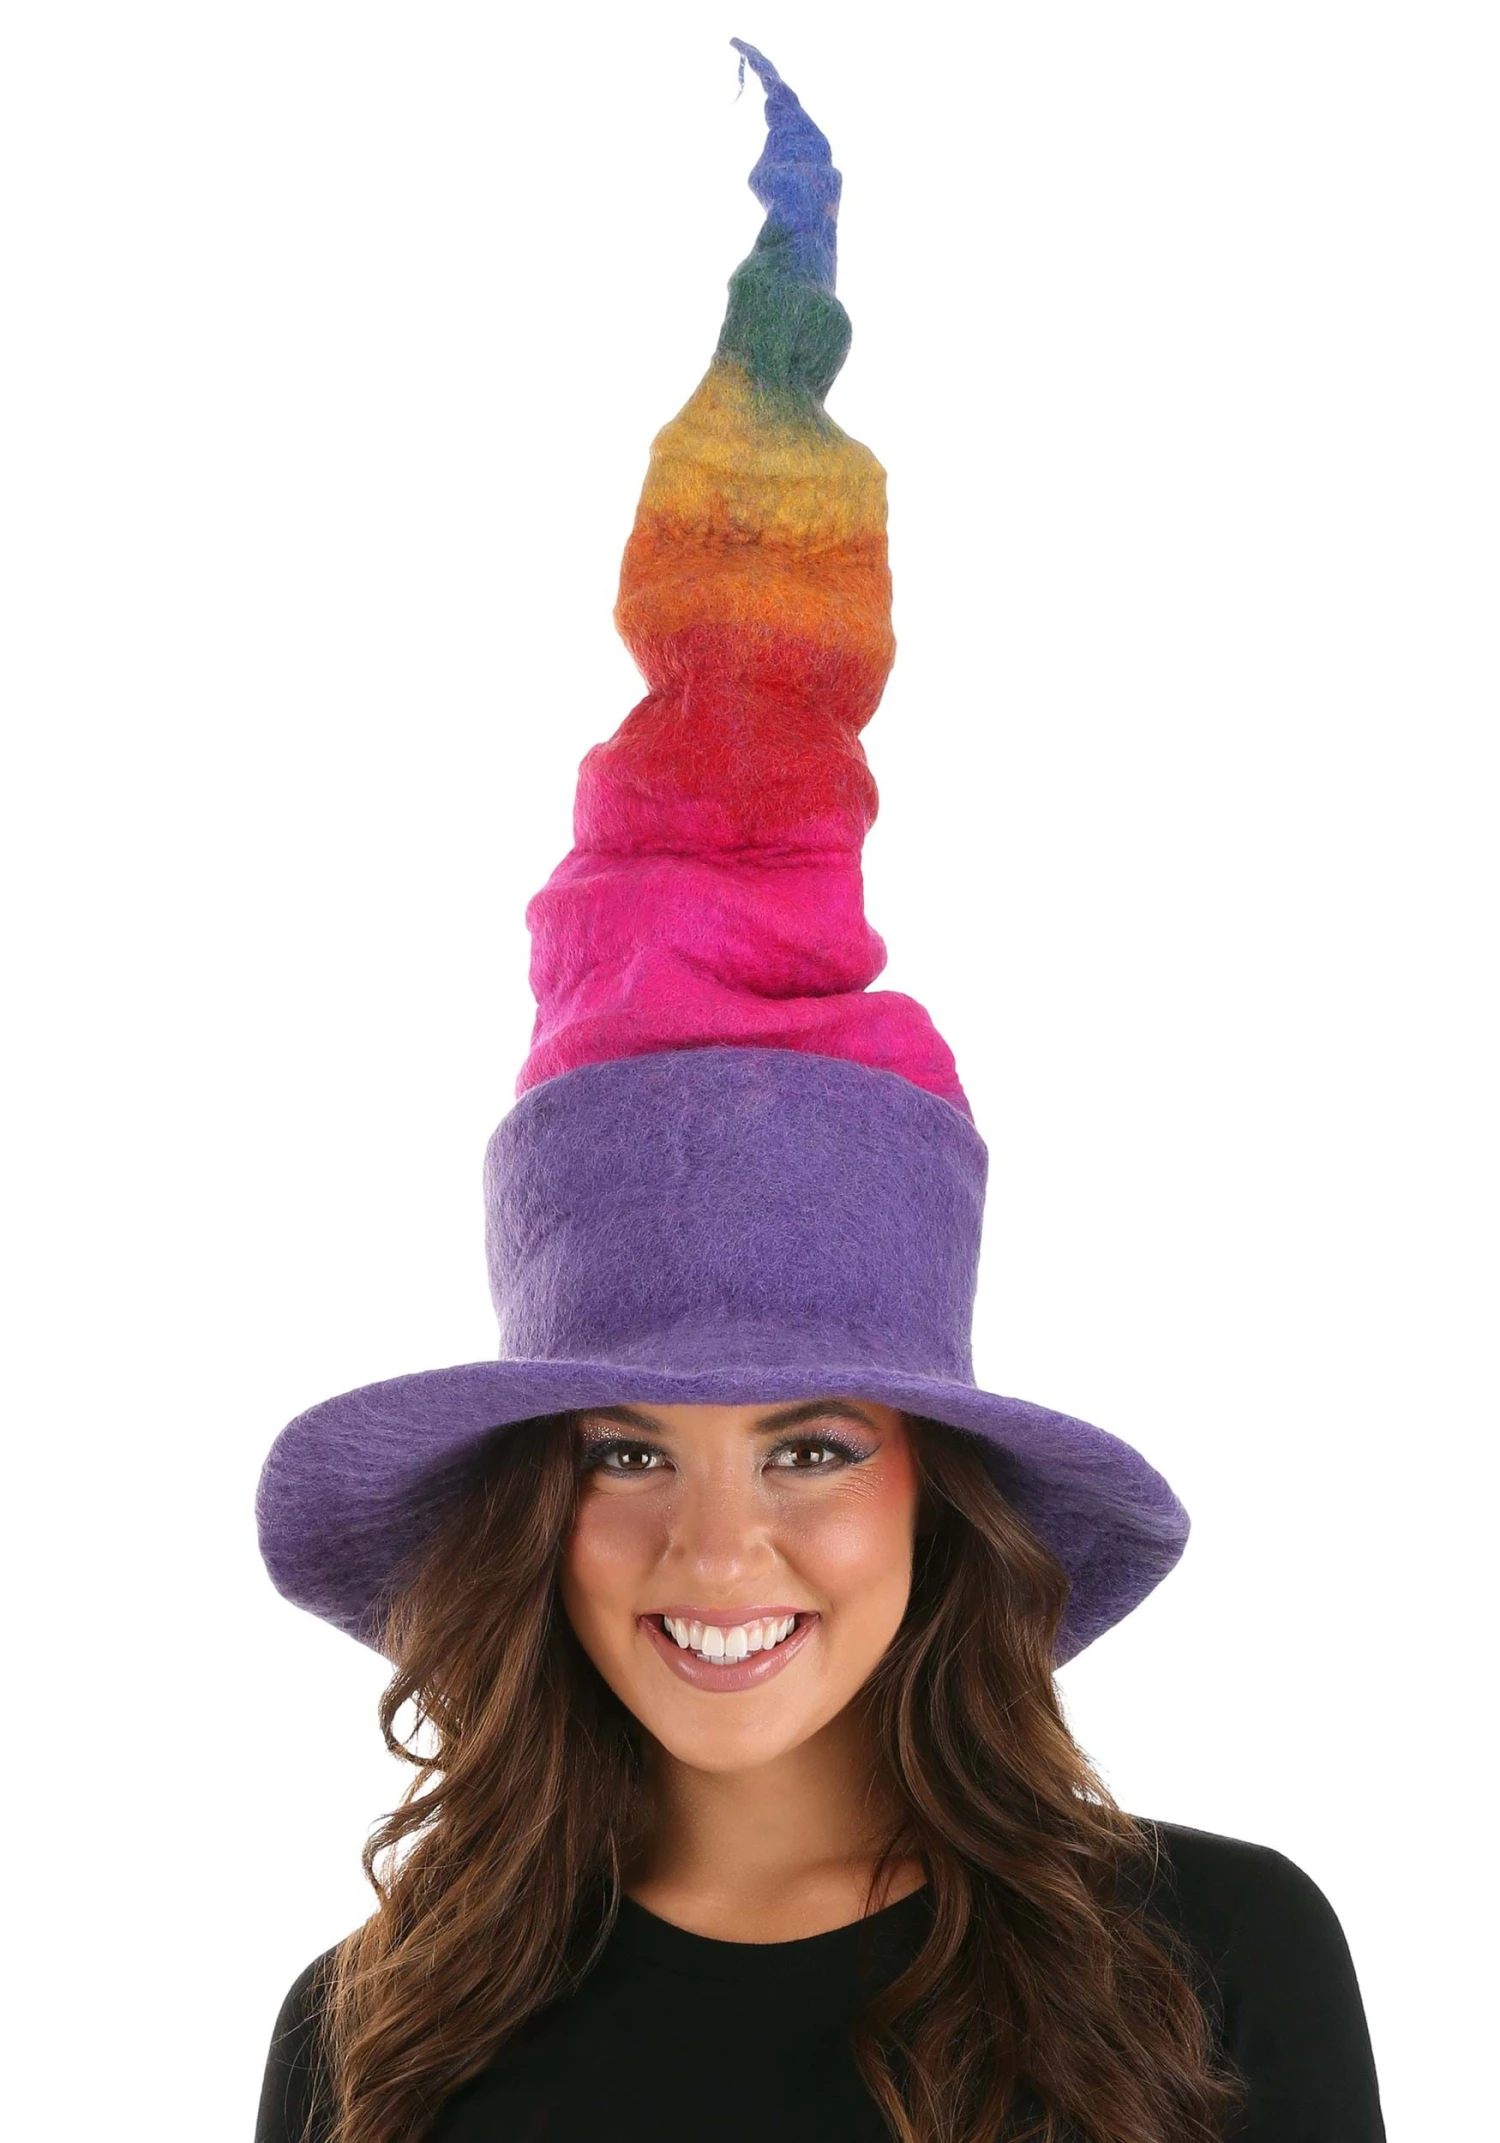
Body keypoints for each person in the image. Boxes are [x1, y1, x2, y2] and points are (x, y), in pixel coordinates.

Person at [252, 42, 1387, 2143]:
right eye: (624, 1447)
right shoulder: (378, 2033)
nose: (715, 1545)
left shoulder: (1213, 1963)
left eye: (806, 1442)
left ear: (933, 1478)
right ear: (531, 1507)